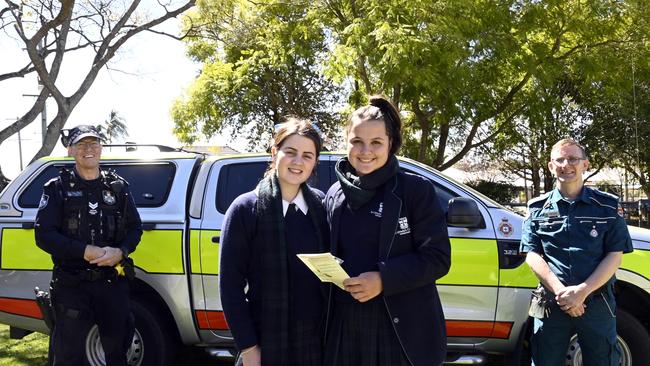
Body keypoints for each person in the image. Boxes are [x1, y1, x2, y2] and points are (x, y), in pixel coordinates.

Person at [324, 95, 451, 366]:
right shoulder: (334, 193)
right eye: (356, 141)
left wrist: (383, 279)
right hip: (344, 327)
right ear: (346, 142)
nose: (365, 150)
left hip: (399, 329)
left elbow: (438, 258)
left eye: (376, 142)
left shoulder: (415, 191)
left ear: (390, 144)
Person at [219, 118, 328, 366]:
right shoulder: (245, 209)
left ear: (315, 161)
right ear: (274, 152)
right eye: (290, 152)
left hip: (316, 343)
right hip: (265, 342)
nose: (298, 161)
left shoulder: (321, 207)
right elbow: (230, 289)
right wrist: (249, 349)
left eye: (307, 155)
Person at [34, 125, 143, 366]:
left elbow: (135, 228)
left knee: (117, 353)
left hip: (111, 283)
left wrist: (121, 251)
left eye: (94, 143)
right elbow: (44, 235)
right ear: (70, 150)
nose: (88, 149)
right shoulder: (57, 188)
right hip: (71, 285)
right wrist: (83, 251)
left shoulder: (118, 188)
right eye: (81, 145)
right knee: (68, 355)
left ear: (101, 148)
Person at [520, 138, 633, 366]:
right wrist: (562, 293)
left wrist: (581, 291)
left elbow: (615, 254)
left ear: (585, 165)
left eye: (572, 158)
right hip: (553, 302)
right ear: (551, 167)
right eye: (559, 160)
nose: (566, 164)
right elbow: (532, 255)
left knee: (603, 361)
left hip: (597, 301)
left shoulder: (607, 206)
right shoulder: (536, 208)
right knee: (545, 360)